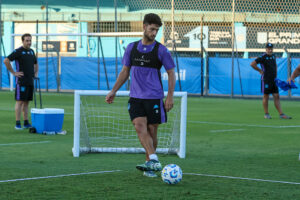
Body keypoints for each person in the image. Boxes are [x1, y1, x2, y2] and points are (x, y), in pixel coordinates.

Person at [105, 13, 176, 177]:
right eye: (152, 29)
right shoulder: (131, 48)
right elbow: (125, 72)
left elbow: (171, 74)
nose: (154, 33)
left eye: (157, 30)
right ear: (144, 27)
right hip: (136, 97)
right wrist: (113, 90)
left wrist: (170, 96)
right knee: (139, 127)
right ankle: (153, 159)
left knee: (152, 132)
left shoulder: (161, 50)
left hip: (154, 97)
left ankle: (149, 164)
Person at [4, 33, 39, 130]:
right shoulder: (18, 51)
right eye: (27, 40)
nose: (29, 42)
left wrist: (36, 73)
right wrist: (13, 72)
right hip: (21, 81)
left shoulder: (32, 52)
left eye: (30, 40)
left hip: (30, 81)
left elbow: (36, 63)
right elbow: (6, 60)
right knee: (20, 102)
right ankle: (18, 123)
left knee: (27, 102)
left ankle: (26, 122)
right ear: (22, 41)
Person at [250, 43, 291, 119]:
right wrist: (260, 70)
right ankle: (266, 114)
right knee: (266, 96)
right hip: (266, 80)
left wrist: (276, 76)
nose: (270, 50)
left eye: (271, 48)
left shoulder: (273, 56)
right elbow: (252, 64)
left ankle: (281, 114)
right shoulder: (263, 57)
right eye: (268, 49)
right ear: (266, 49)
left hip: (273, 80)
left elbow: (275, 65)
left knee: (276, 96)